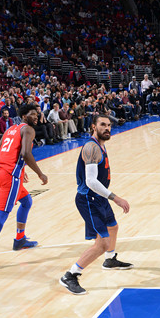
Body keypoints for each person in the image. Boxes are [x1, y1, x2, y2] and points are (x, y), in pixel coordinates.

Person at [59, 114, 132, 295]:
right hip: (89, 199)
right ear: (93, 126)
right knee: (102, 243)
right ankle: (70, 275)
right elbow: (91, 181)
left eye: (109, 125)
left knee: (113, 227)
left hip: (99, 197)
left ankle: (110, 259)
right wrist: (115, 198)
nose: (107, 128)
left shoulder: (101, 145)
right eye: (102, 125)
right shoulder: (91, 147)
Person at [0, 104, 48, 270]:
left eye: (37, 113)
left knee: (26, 201)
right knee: (1, 215)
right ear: (24, 116)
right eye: (32, 114)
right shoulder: (28, 129)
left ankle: (20, 239)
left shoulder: (11, 129)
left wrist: (19, 169)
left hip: (0, 172)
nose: (36, 116)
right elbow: (25, 154)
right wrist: (40, 174)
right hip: (10, 177)